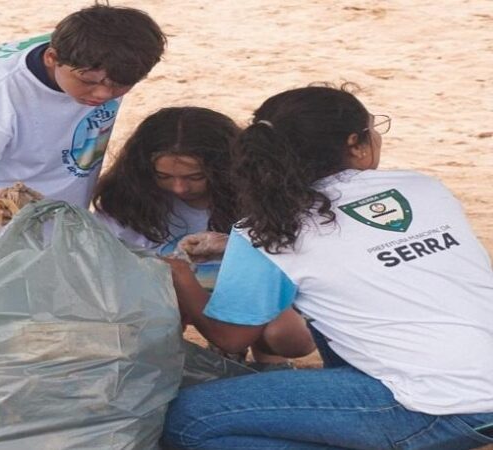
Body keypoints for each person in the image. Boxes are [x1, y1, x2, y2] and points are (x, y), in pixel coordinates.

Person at [162, 85, 493, 449]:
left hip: (436, 405)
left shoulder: (266, 230)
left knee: (188, 420)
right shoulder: (423, 187)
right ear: (355, 144)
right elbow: (356, 253)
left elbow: (231, 338)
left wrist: (179, 276)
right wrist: (234, 248)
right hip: (474, 382)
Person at [0, 4, 166, 257]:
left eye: (122, 85)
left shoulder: (101, 57)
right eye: (89, 82)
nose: (104, 94)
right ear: (51, 58)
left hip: (55, 179)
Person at [93, 106, 314, 371]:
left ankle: (268, 361)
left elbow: (296, 255)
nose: (179, 188)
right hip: (164, 298)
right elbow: (109, 267)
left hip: (243, 296)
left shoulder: (260, 194)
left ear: (227, 168)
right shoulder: (123, 202)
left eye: (195, 177)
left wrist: (233, 246)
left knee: (286, 334)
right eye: (163, 177)